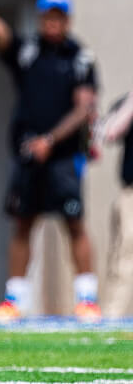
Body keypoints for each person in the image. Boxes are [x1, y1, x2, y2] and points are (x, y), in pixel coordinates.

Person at [0, 0, 101, 324]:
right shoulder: (27, 52)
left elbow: (84, 108)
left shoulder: (80, 58)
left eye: (59, 16)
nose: (53, 22)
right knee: (23, 223)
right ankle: (14, 301)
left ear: (67, 19)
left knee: (75, 224)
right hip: (27, 154)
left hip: (64, 157)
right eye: (47, 16)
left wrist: (51, 140)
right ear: (40, 18)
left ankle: (87, 300)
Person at [100, 92, 133, 317]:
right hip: (130, 193)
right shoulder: (127, 102)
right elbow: (108, 132)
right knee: (123, 256)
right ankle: (113, 317)